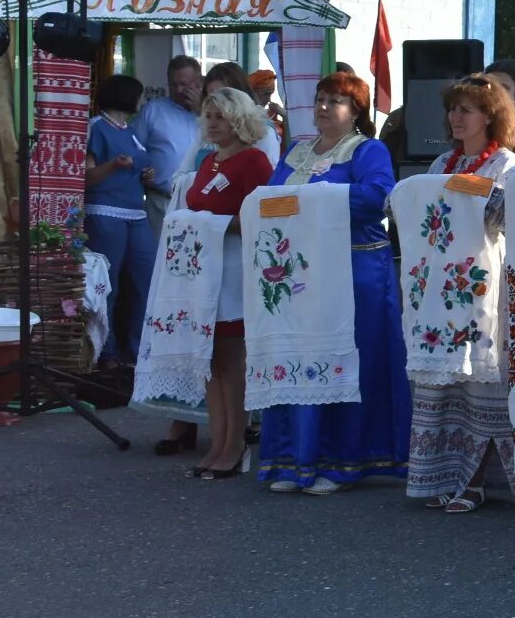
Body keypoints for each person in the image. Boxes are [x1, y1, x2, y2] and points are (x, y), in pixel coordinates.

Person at [256, 71, 409, 494]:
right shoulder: (296, 152)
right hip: (303, 275)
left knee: (346, 364)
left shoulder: (367, 150)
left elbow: (379, 196)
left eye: (335, 101)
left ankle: (344, 463)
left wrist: (309, 200)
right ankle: (294, 460)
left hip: (356, 271)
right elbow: (269, 200)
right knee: (299, 358)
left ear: (356, 111)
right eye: (320, 98)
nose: (323, 107)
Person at [405, 75, 515, 515]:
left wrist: (481, 199)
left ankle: (474, 481)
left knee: (480, 387)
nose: (455, 117)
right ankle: (441, 473)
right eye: (453, 109)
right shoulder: (440, 164)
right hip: (440, 297)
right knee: (444, 387)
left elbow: (510, 219)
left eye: (465, 110)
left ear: (489, 116)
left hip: (483, 295)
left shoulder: (507, 165)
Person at [180, 88, 275, 480]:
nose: (212, 123)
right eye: (208, 116)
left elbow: (262, 215)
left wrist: (216, 224)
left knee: (231, 360)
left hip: (234, 269)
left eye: (219, 116)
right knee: (211, 361)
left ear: (238, 119)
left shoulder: (254, 162)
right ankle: (217, 441)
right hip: (206, 269)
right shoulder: (209, 161)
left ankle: (235, 444)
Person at [84, 75, 155, 364]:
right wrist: (114, 165)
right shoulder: (96, 127)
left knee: (146, 280)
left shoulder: (130, 131)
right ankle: (106, 351)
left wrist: (145, 174)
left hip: (136, 211)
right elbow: (87, 177)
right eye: (139, 95)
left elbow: (140, 165)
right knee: (107, 285)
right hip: (104, 211)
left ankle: (139, 349)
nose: (142, 101)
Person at [134, 54, 203, 234]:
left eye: (185, 84)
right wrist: (144, 171)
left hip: (201, 205)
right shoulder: (153, 110)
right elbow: (135, 149)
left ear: (198, 82)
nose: (179, 90)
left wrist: (201, 110)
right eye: (173, 85)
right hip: (161, 201)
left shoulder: (211, 113)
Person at [184, 62, 283, 171]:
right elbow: (178, 179)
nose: (217, 102)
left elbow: (265, 183)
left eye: (225, 95)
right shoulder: (208, 128)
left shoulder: (263, 132)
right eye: (212, 95)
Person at [247, 68, 287, 142]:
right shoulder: (243, 116)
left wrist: (284, 116)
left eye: (271, 94)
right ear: (252, 92)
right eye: (265, 94)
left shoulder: (271, 116)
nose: (269, 99)